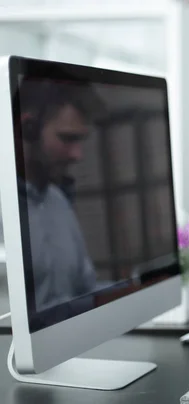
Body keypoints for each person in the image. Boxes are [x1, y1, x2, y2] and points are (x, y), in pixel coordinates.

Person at [11, 79, 100, 314]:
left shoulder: (58, 201)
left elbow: (86, 290)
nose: (77, 155)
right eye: (67, 139)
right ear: (26, 128)